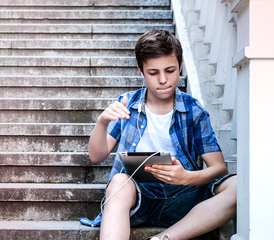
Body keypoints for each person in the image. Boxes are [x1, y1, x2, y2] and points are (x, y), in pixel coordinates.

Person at [80, 29, 237, 240]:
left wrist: (187, 177)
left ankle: (161, 239)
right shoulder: (128, 104)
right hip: (139, 199)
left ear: (180, 66)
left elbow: (219, 168)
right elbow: (96, 156)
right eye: (153, 73)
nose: (163, 80)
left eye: (170, 70)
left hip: (183, 198)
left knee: (238, 186)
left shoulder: (194, 111)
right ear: (141, 71)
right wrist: (102, 122)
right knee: (119, 181)